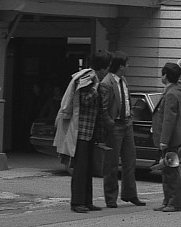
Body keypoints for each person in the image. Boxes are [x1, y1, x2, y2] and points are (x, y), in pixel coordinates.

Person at [53, 51, 114, 213]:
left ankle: (87, 201)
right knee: (80, 168)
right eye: (107, 67)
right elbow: (84, 99)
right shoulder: (89, 78)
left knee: (87, 168)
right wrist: (97, 89)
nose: (108, 71)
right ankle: (77, 202)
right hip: (81, 131)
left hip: (89, 130)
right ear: (102, 68)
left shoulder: (94, 78)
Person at [101, 52, 146, 208]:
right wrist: (110, 124)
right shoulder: (107, 83)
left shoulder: (123, 80)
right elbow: (104, 108)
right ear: (121, 67)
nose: (129, 67)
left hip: (126, 123)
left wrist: (130, 115)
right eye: (127, 64)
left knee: (130, 161)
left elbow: (126, 100)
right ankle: (111, 197)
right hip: (115, 126)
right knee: (112, 163)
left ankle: (130, 194)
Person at [152, 62, 181, 212]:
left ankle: (174, 202)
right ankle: (168, 200)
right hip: (174, 139)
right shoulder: (178, 88)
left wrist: (164, 141)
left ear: (165, 76)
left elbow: (168, 120)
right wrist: (180, 68)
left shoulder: (171, 93)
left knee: (171, 171)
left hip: (170, 140)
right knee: (167, 170)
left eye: (162, 74)